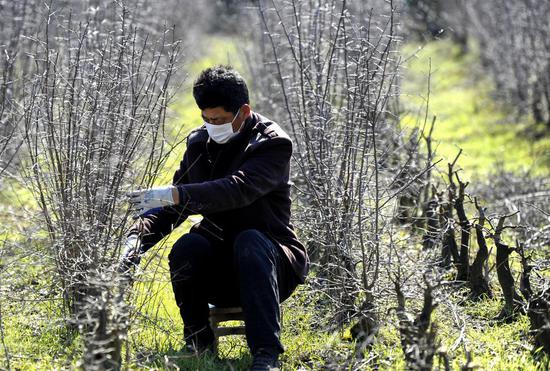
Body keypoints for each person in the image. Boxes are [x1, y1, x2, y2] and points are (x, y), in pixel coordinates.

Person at [123, 65, 309, 371]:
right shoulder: (200, 144)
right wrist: (135, 240)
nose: (213, 126)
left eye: (220, 120)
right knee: (187, 246)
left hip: (272, 264)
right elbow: (172, 209)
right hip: (220, 268)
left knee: (250, 241)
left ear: (244, 111)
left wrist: (176, 193)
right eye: (206, 120)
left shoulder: (271, 144)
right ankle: (199, 343)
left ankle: (266, 353)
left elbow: (238, 190)